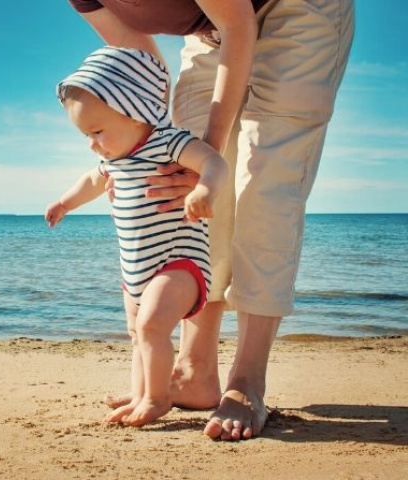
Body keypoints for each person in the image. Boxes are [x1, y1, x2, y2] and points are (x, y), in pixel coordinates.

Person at [66, 0, 355, 440]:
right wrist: (148, 153)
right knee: (177, 187)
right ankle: (195, 369)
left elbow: (238, 24)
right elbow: (140, 62)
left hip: (297, 8)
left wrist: (205, 160)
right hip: (210, 29)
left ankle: (247, 382)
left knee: (262, 186)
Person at [45, 46, 228, 427]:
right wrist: (65, 202)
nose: (92, 143)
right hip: (136, 267)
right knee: (137, 333)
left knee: (151, 327)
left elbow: (213, 161)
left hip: (180, 261)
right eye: (86, 135)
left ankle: (158, 399)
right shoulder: (113, 159)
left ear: (136, 112)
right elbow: (91, 181)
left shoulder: (168, 143)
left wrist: (204, 190)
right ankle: (143, 391)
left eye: (96, 131)